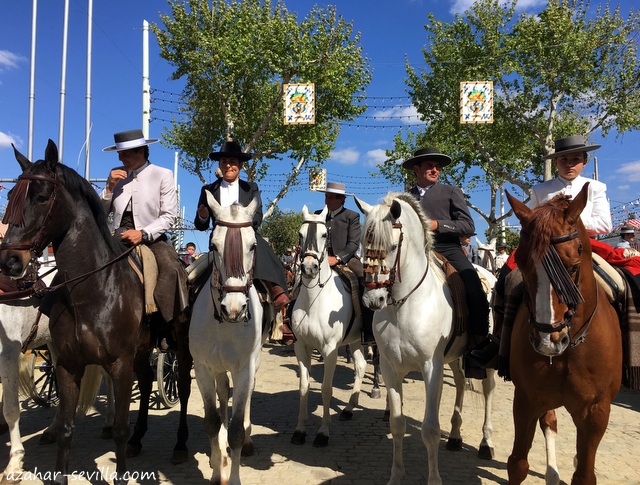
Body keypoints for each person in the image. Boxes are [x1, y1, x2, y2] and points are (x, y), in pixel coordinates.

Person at [469, 135, 613, 369]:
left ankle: (629, 348)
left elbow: (605, 224)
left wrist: (567, 218)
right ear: (556, 162)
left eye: (575, 159)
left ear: (584, 162)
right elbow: (532, 223)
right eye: (564, 159)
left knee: (621, 283)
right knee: (508, 280)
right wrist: (549, 213)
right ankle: (497, 341)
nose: (569, 164)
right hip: (544, 249)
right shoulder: (541, 189)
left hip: (582, 247)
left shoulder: (596, 187)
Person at [100, 129, 189, 351]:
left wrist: (143, 233)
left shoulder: (163, 174)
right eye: (119, 154)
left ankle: (165, 326)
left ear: (141, 151)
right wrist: (109, 189)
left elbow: (169, 216)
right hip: (117, 234)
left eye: (125, 154)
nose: (120, 159)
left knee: (171, 269)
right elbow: (101, 214)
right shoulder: (116, 177)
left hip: (152, 236)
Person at [404, 147, 490, 378]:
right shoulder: (405, 197)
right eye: (430, 166)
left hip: (447, 249)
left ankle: (478, 350)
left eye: (437, 167)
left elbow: (467, 226)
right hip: (414, 252)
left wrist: (438, 225)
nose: (435, 170)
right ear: (417, 169)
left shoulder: (451, 191)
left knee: (474, 288)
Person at [194, 140, 289, 310]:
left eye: (232, 162)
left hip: (245, 236)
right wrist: (203, 216)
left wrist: (242, 226)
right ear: (219, 165)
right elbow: (200, 225)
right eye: (224, 162)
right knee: (191, 278)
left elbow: (258, 216)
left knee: (262, 248)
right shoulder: (207, 190)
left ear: (240, 166)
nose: (228, 165)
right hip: (220, 242)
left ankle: (276, 292)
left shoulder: (251, 188)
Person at [315, 181, 375, 345]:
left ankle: (368, 331)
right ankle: (291, 323)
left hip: (347, 260)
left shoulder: (352, 216)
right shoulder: (318, 214)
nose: (327, 200)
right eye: (326, 196)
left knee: (365, 281)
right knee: (299, 280)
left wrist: (337, 258)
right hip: (319, 261)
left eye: (331, 197)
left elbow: (353, 244)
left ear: (341, 200)